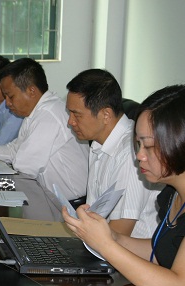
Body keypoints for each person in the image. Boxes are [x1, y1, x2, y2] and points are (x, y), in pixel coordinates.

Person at [65, 85, 185, 286]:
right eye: (138, 144)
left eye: (149, 146)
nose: (139, 156)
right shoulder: (173, 195)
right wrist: (111, 237)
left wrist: (106, 244)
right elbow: (161, 252)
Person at [0, 58, 89, 203]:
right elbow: (14, 150)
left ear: (31, 91)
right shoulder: (35, 113)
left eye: (11, 96)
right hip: (51, 200)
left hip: (71, 206)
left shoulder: (48, 115)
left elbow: (24, 167)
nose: (7, 103)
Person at [66, 69, 161, 238]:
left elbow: (120, 231)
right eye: (70, 113)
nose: (70, 121)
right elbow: (94, 215)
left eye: (77, 115)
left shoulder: (131, 153)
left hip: (130, 250)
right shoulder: (98, 145)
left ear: (106, 115)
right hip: (101, 244)